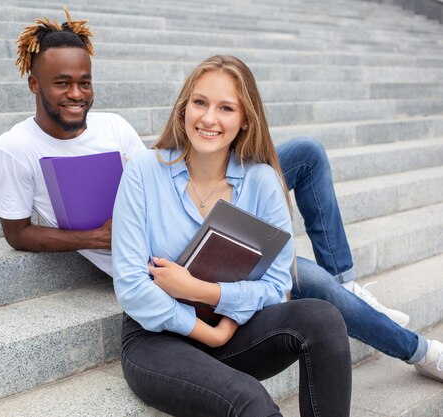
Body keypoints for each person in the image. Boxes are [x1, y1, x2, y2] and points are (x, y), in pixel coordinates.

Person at [0, 7, 442, 386]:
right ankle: (415, 348)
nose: (76, 94)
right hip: (160, 257)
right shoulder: (14, 149)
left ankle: (347, 279)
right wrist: (96, 236)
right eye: (62, 84)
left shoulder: (115, 128)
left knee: (306, 154)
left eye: (83, 83)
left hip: (200, 215)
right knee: (313, 284)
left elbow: (169, 177)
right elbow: (17, 232)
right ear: (34, 83)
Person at [111, 54, 352, 416]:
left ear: (244, 120)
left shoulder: (262, 181)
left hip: (232, 328)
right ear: (183, 108)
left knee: (323, 318)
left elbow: (274, 286)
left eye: (226, 108)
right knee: (249, 399)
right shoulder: (145, 171)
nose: (209, 118)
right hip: (157, 339)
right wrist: (207, 332)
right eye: (199, 103)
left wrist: (202, 293)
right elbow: (131, 284)